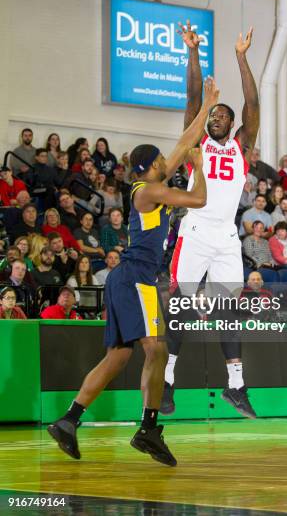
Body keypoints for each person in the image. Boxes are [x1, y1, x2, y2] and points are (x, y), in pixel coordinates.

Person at [47, 76, 214, 467]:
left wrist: (208, 105)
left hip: (128, 278)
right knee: (156, 349)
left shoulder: (148, 182)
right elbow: (200, 198)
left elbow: (183, 143)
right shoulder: (149, 190)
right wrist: (200, 166)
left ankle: (69, 421)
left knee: (119, 358)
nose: (166, 162)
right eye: (160, 161)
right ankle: (149, 429)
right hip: (137, 277)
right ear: (149, 167)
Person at [163, 23, 259, 420]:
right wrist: (192, 51)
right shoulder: (197, 143)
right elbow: (192, 96)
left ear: (232, 124)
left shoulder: (242, 147)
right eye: (213, 115)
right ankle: (166, 380)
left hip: (226, 237)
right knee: (180, 304)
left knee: (230, 309)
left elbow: (253, 105)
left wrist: (241, 58)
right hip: (196, 230)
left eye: (221, 115)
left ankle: (235, 384)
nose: (215, 118)